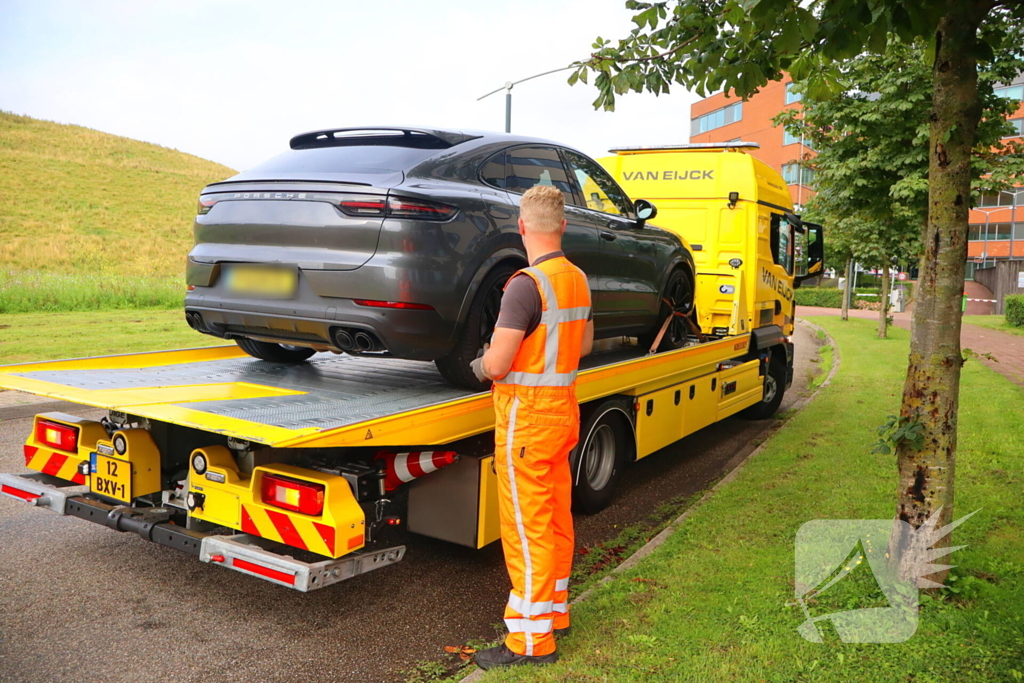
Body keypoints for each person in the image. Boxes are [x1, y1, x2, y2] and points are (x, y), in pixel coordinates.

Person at [470, 185, 594, 670]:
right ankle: (553, 614)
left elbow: (499, 363)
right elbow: (580, 348)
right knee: (555, 522)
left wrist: (478, 365)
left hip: (526, 419)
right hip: (562, 411)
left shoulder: (525, 284)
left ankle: (529, 642)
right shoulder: (576, 278)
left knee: (526, 531)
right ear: (561, 226)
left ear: (522, 227)